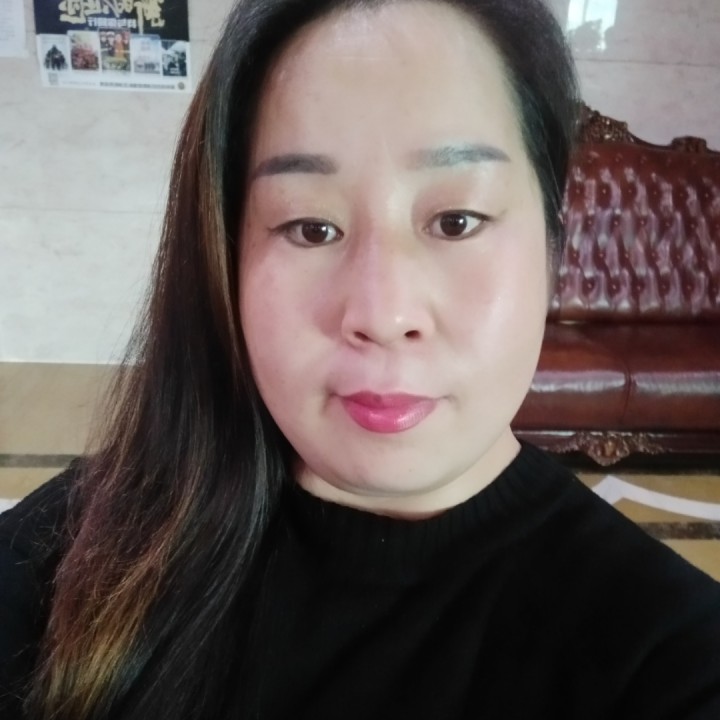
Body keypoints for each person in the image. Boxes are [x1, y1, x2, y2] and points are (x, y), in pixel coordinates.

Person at [2, 0, 719, 718]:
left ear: (552, 242)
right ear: (225, 254)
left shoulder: (669, 655)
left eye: (456, 221)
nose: (382, 314)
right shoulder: (83, 543)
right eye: (311, 228)